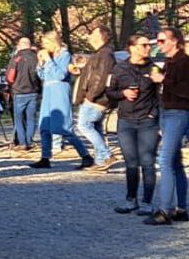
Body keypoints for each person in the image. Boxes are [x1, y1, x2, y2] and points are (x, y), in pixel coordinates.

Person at [145, 27, 189, 225]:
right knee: (175, 162)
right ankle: (181, 208)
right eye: (157, 41)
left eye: (162, 41)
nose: (159, 44)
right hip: (168, 112)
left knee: (165, 160)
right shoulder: (170, 62)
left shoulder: (184, 62)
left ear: (174, 41)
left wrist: (164, 80)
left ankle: (165, 210)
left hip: (178, 113)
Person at [106, 35, 161, 216]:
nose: (148, 48)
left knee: (147, 162)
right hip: (126, 121)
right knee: (131, 163)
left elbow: (162, 93)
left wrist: (155, 114)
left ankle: (147, 202)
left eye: (148, 45)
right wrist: (123, 93)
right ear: (132, 47)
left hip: (147, 121)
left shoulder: (153, 67)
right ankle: (131, 200)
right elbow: (109, 92)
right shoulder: (119, 68)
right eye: (144, 45)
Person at [30, 31, 94, 169]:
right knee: (44, 126)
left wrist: (48, 60)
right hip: (48, 90)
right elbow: (42, 75)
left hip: (59, 90)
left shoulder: (64, 55)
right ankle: (45, 157)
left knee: (63, 127)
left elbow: (60, 75)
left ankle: (86, 156)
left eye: (47, 43)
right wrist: (40, 64)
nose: (44, 46)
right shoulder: (50, 56)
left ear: (54, 42)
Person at [76, 23, 117, 170]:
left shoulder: (104, 54)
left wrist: (90, 96)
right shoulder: (102, 53)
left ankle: (106, 155)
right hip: (99, 97)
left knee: (84, 125)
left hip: (96, 99)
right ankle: (100, 160)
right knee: (95, 127)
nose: (89, 37)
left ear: (100, 36)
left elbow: (100, 78)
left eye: (93, 34)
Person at [7, 36, 41, 151]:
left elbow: (10, 77)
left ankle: (22, 142)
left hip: (19, 92)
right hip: (33, 91)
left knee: (19, 118)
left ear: (20, 45)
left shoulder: (16, 58)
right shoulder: (36, 57)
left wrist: (13, 85)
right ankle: (30, 140)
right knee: (31, 118)